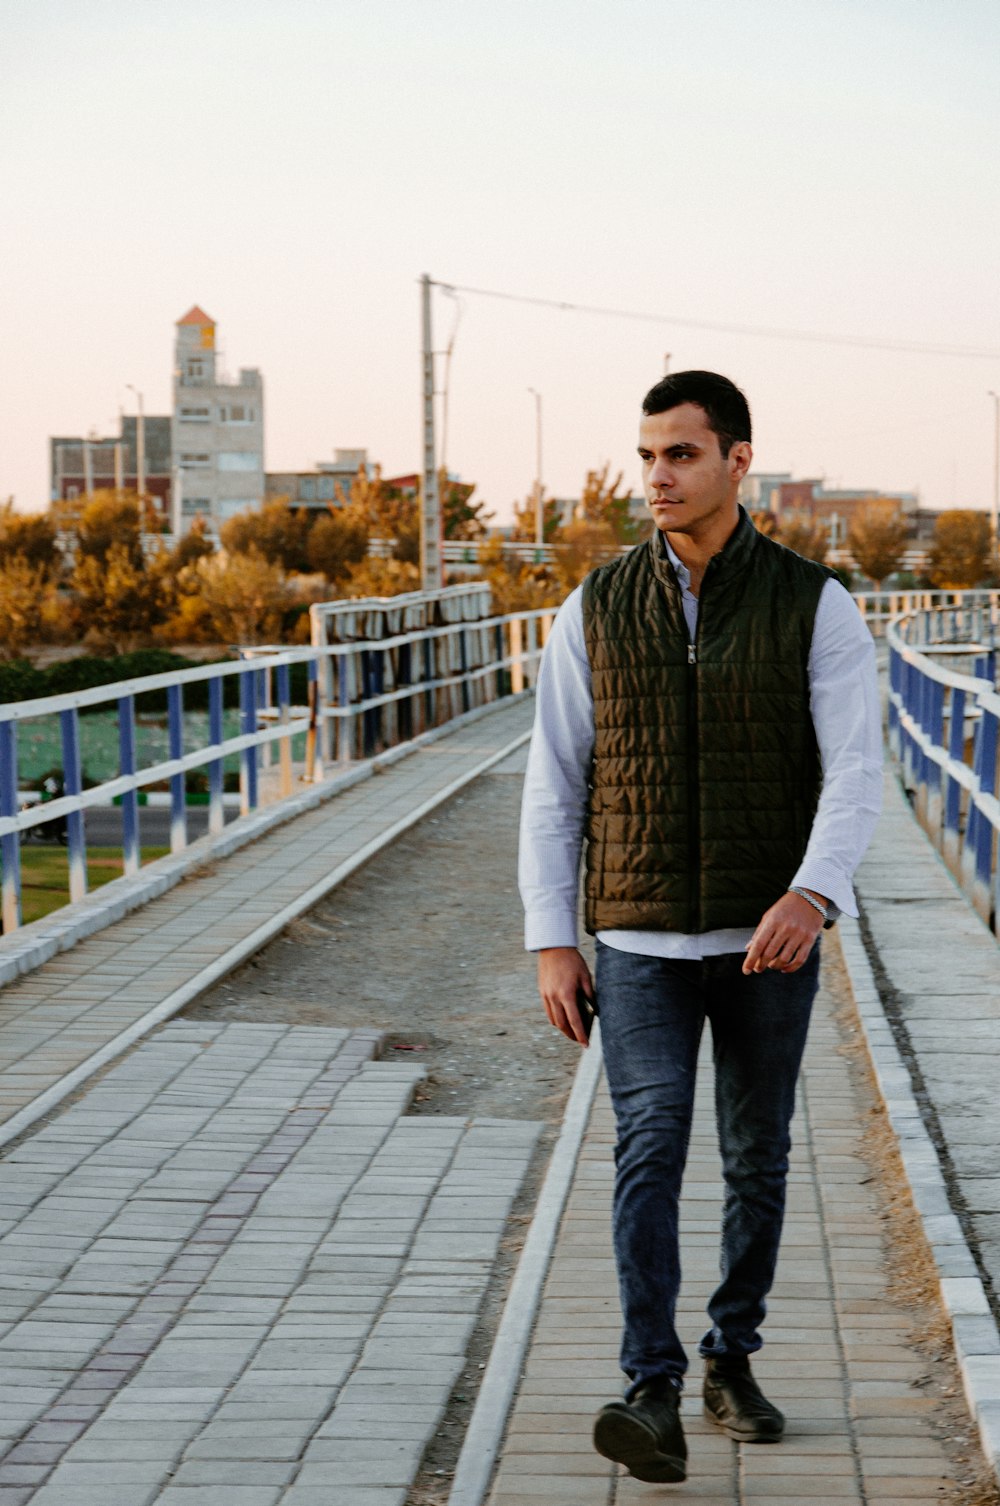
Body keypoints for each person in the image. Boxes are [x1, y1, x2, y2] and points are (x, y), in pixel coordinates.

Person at [518, 370, 882, 1484]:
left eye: (680, 454)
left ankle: (731, 1356)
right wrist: (550, 937)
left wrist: (811, 895)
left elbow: (856, 772)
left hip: (766, 940)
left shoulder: (814, 603)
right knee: (647, 1147)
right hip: (634, 942)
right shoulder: (594, 606)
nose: (658, 476)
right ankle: (651, 1385)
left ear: (737, 462)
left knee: (756, 1157)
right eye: (646, 456)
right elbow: (554, 780)